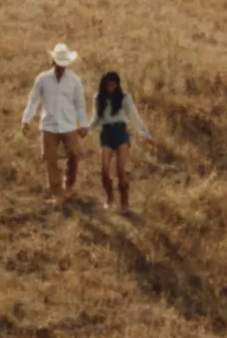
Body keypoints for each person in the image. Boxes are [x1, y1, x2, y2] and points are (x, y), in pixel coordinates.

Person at [20, 43, 90, 205]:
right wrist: (26, 119)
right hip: (49, 125)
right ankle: (57, 192)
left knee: (74, 154)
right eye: (59, 63)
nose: (61, 67)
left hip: (68, 124)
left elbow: (80, 103)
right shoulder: (42, 79)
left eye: (64, 64)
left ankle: (69, 184)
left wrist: (84, 124)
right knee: (50, 159)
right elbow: (33, 101)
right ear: (53, 61)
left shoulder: (74, 81)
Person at [90, 70, 153, 214]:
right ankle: (109, 197)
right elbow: (96, 119)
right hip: (106, 133)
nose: (111, 87)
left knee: (120, 170)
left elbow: (135, 117)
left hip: (121, 133)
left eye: (114, 85)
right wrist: (85, 130)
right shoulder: (98, 97)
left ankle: (124, 201)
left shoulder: (124, 97)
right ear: (104, 84)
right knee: (104, 170)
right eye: (109, 84)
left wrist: (146, 135)